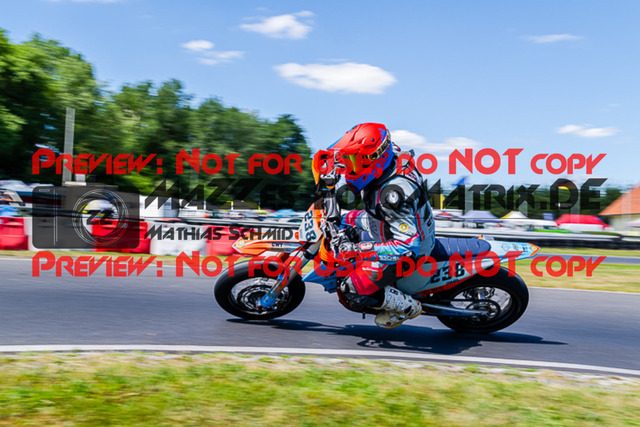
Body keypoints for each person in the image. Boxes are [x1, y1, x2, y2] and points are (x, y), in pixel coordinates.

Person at [330, 123, 435, 328]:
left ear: (373, 159)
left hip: (410, 251)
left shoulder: (392, 195)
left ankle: (407, 307)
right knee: (343, 219)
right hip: (383, 223)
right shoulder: (389, 156)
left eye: (353, 160)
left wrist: (359, 248)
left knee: (350, 290)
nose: (348, 167)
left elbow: (408, 246)